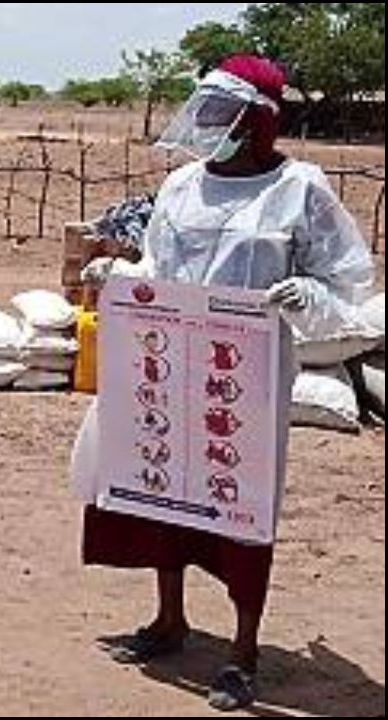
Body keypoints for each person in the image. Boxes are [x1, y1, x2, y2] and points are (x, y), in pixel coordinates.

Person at [75, 56, 375, 712]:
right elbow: (159, 260)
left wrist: (307, 295)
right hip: (171, 358)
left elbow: (347, 280)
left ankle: (242, 650)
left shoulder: (300, 187)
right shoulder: (183, 185)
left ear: (259, 120)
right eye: (203, 111)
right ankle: (168, 619)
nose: (208, 124)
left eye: (222, 113)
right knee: (160, 484)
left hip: (247, 374)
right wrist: (120, 279)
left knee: (239, 498)